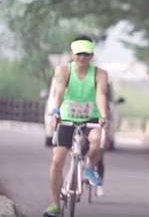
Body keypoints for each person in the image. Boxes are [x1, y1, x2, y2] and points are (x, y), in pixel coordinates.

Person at [43, 35, 110, 217]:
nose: (82, 58)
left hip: (91, 118)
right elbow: (58, 92)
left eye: (86, 54)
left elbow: (101, 94)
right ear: (72, 54)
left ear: (91, 56)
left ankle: (89, 167)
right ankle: (55, 204)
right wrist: (55, 111)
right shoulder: (63, 70)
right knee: (57, 160)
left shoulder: (100, 73)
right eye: (79, 54)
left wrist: (103, 115)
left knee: (98, 141)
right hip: (66, 118)